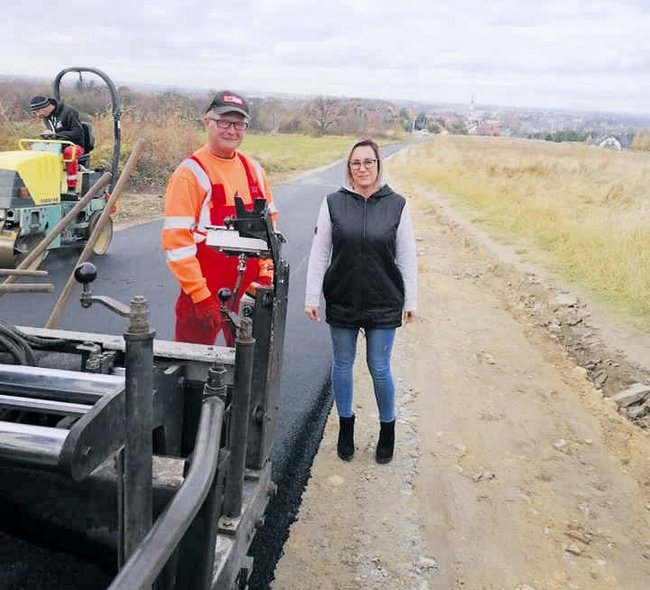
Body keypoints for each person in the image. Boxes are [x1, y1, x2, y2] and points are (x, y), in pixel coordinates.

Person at [304, 138, 417, 464]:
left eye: (369, 162)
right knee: (342, 364)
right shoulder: (332, 203)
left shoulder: (397, 204)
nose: (363, 168)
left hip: (384, 298)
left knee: (379, 367)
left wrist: (411, 300)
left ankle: (387, 430)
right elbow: (320, 252)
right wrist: (312, 295)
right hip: (343, 296)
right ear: (349, 167)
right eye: (356, 163)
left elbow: (407, 256)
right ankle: (346, 428)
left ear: (378, 165)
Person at [161, 90, 278, 346]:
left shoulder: (254, 170)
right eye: (224, 122)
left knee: (248, 369)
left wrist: (266, 276)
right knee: (192, 369)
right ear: (207, 122)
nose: (231, 130)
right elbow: (177, 243)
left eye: (239, 124)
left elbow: (270, 231)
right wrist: (201, 296)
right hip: (203, 291)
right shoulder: (189, 174)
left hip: (251, 289)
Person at [29, 95, 85, 191]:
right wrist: (48, 136)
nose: (37, 115)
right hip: (58, 144)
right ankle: (40, 185)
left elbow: (78, 132)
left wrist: (55, 134)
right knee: (34, 148)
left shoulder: (68, 111)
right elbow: (54, 134)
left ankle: (71, 188)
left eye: (37, 112)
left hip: (75, 144)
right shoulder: (47, 117)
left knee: (69, 152)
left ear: (46, 107)